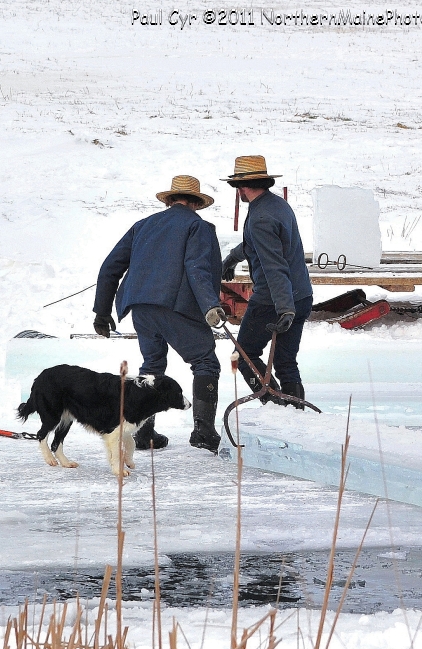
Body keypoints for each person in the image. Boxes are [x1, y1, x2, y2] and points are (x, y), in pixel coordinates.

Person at [92, 175, 227, 453]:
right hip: (174, 305)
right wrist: (210, 305)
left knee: (152, 365)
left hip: (140, 306)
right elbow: (197, 268)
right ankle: (203, 432)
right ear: (196, 204)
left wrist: (102, 312)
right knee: (205, 361)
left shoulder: (143, 226)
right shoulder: (197, 226)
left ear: (169, 201)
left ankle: (144, 433)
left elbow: (110, 268)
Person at [220, 156, 313, 405]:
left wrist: (284, 309)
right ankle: (295, 417)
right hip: (301, 294)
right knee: (285, 362)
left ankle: (275, 407)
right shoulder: (277, 205)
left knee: (242, 356)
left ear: (242, 186)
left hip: (274, 300)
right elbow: (261, 244)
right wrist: (232, 258)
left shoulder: (260, 217)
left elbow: (274, 266)